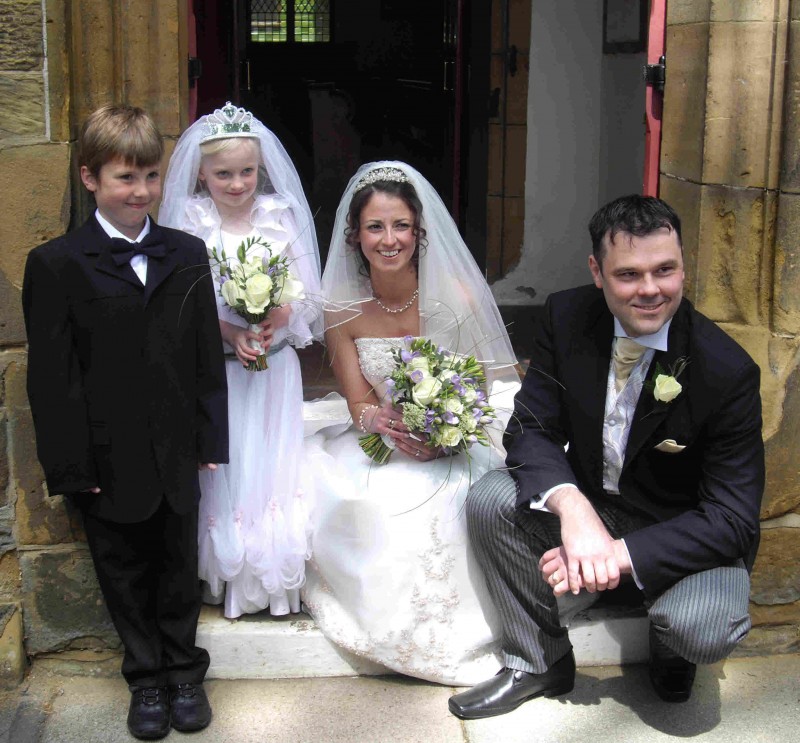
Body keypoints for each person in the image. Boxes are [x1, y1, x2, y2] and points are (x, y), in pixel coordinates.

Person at [449, 195, 765, 719]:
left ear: (683, 263)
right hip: (598, 500)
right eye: (629, 274)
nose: (650, 290)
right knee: (490, 499)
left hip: (682, 529)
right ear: (597, 271)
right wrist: (575, 512)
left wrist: (616, 556)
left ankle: (668, 637)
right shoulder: (566, 314)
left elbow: (732, 519)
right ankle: (538, 660)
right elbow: (530, 427)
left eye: (665, 270)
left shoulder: (727, 370)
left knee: (701, 629)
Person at [22, 105, 228, 739]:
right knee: (121, 570)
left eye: (150, 177)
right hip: (104, 456)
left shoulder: (187, 254)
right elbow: (52, 380)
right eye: (123, 178)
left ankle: (185, 672)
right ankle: (145, 679)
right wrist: (70, 466)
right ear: (90, 179)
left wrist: (209, 437)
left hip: (175, 448)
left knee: (175, 566)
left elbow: (203, 358)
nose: (139, 192)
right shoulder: (58, 264)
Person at [302, 161, 521, 685]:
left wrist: (449, 435)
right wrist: (382, 423)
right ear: (355, 236)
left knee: (459, 504)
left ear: (419, 231)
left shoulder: (456, 298)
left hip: (455, 441)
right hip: (384, 441)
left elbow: (483, 390)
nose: (389, 239)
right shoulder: (343, 311)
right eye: (375, 227)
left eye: (400, 225)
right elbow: (356, 404)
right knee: (371, 502)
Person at [160, 102, 322, 619]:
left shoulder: (281, 215)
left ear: (261, 169)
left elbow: (308, 292)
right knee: (227, 468)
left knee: (271, 467)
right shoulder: (190, 221)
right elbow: (175, 303)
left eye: (247, 172)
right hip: (219, 372)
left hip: (274, 368)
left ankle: (273, 581)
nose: (237, 184)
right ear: (201, 173)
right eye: (223, 174)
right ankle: (224, 577)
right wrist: (227, 330)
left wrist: (281, 314)